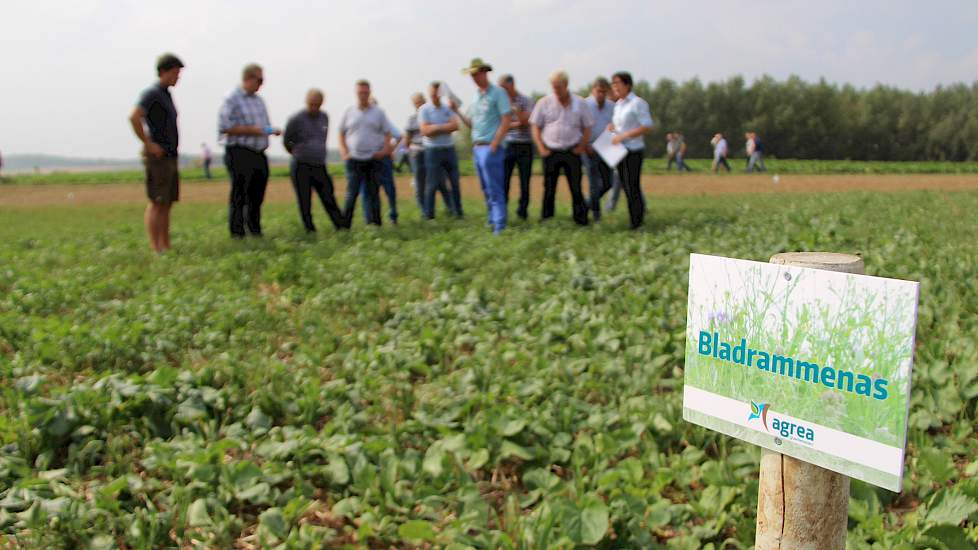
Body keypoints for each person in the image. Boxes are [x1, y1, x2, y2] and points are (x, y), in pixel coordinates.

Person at [218, 63, 280, 238]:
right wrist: (252, 130)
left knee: (257, 193)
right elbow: (225, 127)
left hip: (258, 152)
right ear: (247, 78)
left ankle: (255, 228)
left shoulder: (259, 101)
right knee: (240, 193)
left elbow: (263, 127)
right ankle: (237, 232)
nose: (261, 84)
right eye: (259, 80)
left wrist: (271, 130)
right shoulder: (232, 98)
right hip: (239, 151)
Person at [129, 53, 183, 253]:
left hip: (170, 155)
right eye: (175, 73)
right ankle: (156, 246)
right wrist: (148, 144)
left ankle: (165, 244)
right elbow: (134, 117)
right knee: (157, 201)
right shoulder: (152, 93)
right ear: (163, 72)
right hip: (158, 156)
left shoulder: (166, 94)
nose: (177, 77)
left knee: (167, 202)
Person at [452, 58, 512, 235]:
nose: (474, 78)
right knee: (485, 188)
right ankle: (492, 220)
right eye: (471, 75)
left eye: (476, 74)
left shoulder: (498, 93)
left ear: (485, 72)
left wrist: (495, 143)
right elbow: (472, 123)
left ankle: (500, 226)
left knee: (495, 188)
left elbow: (507, 118)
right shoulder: (476, 96)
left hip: (490, 147)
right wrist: (457, 111)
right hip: (477, 147)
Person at [529, 70, 593, 225]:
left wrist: (582, 146)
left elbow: (588, 126)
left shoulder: (580, 103)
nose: (555, 90)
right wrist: (541, 148)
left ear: (566, 85)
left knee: (576, 187)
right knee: (549, 187)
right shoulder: (544, 102)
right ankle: (547, 218)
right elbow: (535, 126)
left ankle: (580, 219)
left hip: (572, 149)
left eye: (558, 87)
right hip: (551, 151)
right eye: (553, 87)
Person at [282, 88, 345, 233]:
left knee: (328, 196)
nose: (314, 108)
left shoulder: (325, 117)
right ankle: (309, 229)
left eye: (318, 105)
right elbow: (287, 141)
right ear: (306, 102)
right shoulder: (296, 119)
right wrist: (298, 153)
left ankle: (340, 226)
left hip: (319, 165)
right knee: (305, 200)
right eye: (312, 104)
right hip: (301, 165)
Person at [338, 79, 394, 226]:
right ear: (356, 93)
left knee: (373, 193)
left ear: (369, 92)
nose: (363, 95)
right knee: (352, 193)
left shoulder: (378, 112)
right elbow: (341, 133)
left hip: (373, 158)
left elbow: (387, 132)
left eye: (365, 92)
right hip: (354, 159)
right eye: (360, 92)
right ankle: (345, 226)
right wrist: (344, 151)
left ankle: (376, 224)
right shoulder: (349, 111)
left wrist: (385, 150)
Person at [609, 71, 654, 229]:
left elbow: (647, 126)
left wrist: (624, 135)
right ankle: (633, 220)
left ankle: (637, 223)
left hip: (633, 150)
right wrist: (613, 129)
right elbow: (620, 126)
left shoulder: (637, 103)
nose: (614, 86)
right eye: (613, 83)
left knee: (633, 186)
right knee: (625, 187)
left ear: (627, 85)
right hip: (619, 150)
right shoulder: (618, 105)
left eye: (617, 83)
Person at [401, 92, 452, 219]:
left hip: (433, 151)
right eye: (417, 103)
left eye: (421, 102)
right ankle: (426, 213)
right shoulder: (412, 119)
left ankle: (451, 208)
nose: (419, 105)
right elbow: (406, 140)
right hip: (417, 152)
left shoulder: (432, 116)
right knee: (420, 183)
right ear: (414, 105)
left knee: (440, 180)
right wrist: (407, 154)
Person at [419, 81, 464, 219]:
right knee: (432, 184)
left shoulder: (448, 108)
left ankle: (458, 213)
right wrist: (444, 127)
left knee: (455, 182)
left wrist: (435, 127)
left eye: (438, 94)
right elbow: (425, 130)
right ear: (429, 93)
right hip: (432, 151)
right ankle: (429, 215)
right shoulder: (424, 110)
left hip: (449, 149)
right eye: (433, 94)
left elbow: (456, 126)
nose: (435, 96)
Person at [498, 74, 534, 220]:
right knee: (504, 180)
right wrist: (516, 123)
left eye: (504, 88)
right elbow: (499, 125)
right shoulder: (500, 103)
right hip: (507, 145)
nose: (502, 91)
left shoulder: (527, 100)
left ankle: (522, 212)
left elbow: (528, 121)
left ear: (512, 85)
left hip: (525, 145)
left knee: (525, 181)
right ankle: (503, 211)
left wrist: (516, 111)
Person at [582, 77, 615, 221]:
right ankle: (596, 217)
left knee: (609, 182)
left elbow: (615, 126)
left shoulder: (612, 106)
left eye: (604, 91)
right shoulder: (584, 105)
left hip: (606, 148)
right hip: (588, 148)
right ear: (593, 90)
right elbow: (578, 127)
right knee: (594, 183)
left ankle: (585, 206)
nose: (601, 94)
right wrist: (585, 145)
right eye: (598, 91)